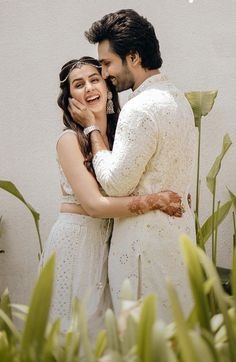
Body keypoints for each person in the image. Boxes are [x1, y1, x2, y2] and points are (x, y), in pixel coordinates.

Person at [40, 56, 184, 337]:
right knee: (75, 335)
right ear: (70, 98)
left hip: (110, 246)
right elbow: (94, 205)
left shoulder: (121, 139)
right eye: (79, 85)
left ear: (107, 88)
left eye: (95, 80)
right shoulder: (69, 140)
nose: (89, 87)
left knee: (104, 339)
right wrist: (155, 200)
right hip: (77, 244)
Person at [68, 10, 197, 321]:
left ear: (134, 57)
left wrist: (92, 130)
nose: (105, 73)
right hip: (179, 245)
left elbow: (114, 183)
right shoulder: (178, 100)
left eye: (108, 63)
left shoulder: (139, 108)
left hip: (143, 253)